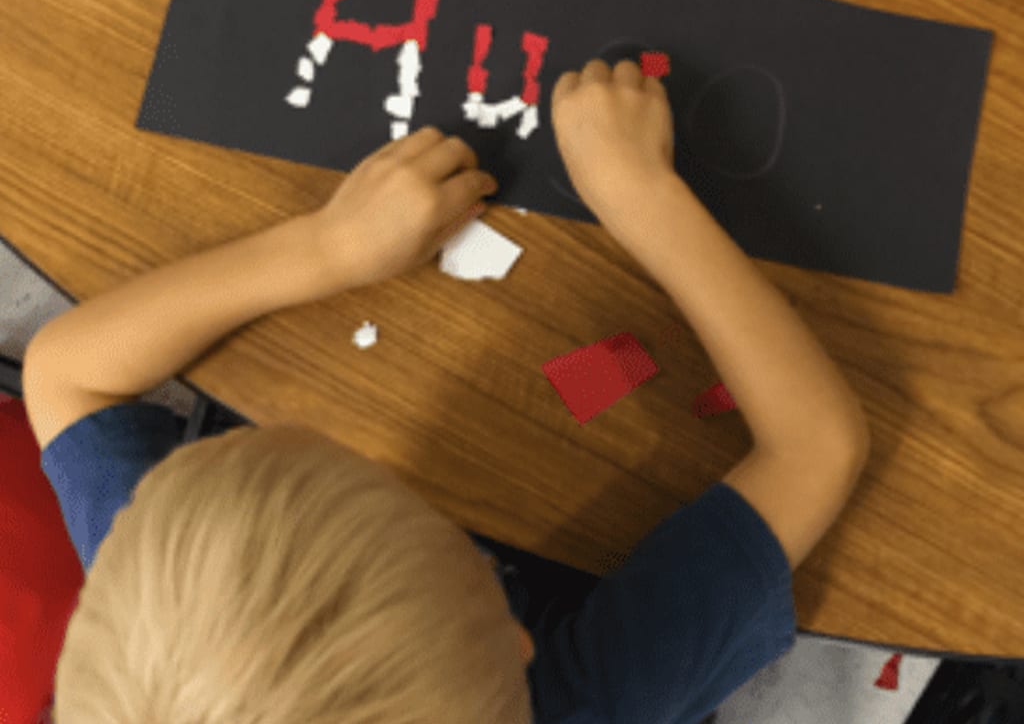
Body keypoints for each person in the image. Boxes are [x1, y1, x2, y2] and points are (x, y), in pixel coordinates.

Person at [24, 58, 871, 723]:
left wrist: (324, 251)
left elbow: (65, 372)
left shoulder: (180, 622)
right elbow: (817, 447)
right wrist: (640, 196)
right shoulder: (590, 705)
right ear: (514, 643)